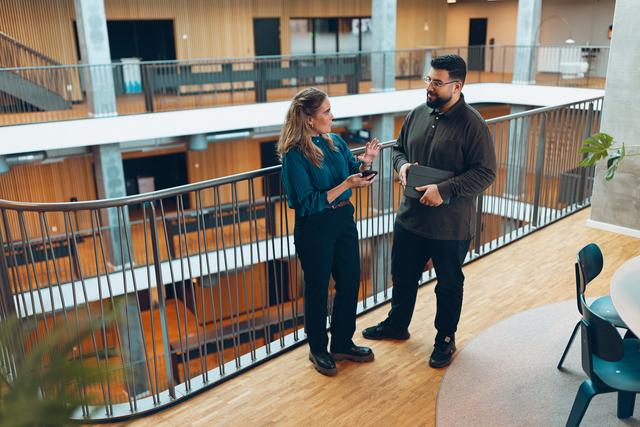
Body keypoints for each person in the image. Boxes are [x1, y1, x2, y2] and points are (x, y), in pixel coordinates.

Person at [362, 54, 497, 368]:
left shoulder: (474, 125)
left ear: (457, 85)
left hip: (449, 226)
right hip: (410, 217)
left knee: (448, 284)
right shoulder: (417, 113)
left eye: (437, 83)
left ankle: (445, 340)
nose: (429, 87)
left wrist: (444, 191)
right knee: (403, 276)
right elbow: (397, 149)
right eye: (428, 80)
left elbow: (485, 173)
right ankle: (397, 325)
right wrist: (403, 165)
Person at [277, 87, 382, 376]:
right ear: (310, 119)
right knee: (317, 289)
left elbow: (352, 168)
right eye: (326, 112)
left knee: (350, 281)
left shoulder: (334, 141)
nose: (332, 116)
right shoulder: (294, 155)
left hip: (343, 220)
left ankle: (343, 343)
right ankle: (318, 349)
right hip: (315, 227)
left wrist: (366, 163)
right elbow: (307, 202)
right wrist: (347, 185)